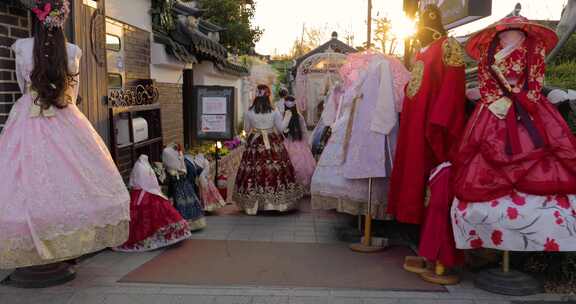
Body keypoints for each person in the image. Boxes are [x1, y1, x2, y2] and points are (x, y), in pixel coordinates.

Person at [0, 0, 130, 269]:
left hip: (28, 114)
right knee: (72, 175)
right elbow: (72, 92)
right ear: (63, 20)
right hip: (65, 115)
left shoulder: (22, 47)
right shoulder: (73, 51)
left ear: (37, 19)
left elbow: (20, 84)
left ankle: (40, 249)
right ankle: (59, 244)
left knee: (26, 177)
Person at [451, 15, 576, 252]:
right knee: (485, 153)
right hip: (496, 108)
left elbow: (536, 80)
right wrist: (497, 101)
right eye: (506, 30)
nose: (509, 33)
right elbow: (486, 80)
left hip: (526, 105)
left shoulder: (533, 46)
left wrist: (522, 101)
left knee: (541, 149)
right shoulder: (491, 48)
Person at [233, 85, 304, 215]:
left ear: (256, 96)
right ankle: (276, 203)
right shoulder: (274, 111)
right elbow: (282, 128)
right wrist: (287, 116)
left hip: (255, 143)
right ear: (268, 96)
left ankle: (254, 204)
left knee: (253, 171)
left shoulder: (249, 111)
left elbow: (247, 129)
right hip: (272, 142)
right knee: (274, 170)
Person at [114, 155, 191, 252]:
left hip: (150, 192)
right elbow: (139, 181)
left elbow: (138, 181)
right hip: (144, 193)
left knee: (156, 215)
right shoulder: (140, 167)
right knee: (144, 217)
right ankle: (147, 238)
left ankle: (160, 235)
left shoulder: (145, 165)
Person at [163, 144, 206, 231]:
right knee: (188, 201)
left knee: (181, 203)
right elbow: (183, 169)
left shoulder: (170, 155)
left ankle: (185, 224)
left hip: (178, 184)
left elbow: (173, 170)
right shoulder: (178, 155)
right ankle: (194, 223)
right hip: (184, 183)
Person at [281, 96, 316, 189]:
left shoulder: (283, 116)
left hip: (287, 142)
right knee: (303, 163)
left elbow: (279, 131)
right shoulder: (299, 117)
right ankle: (302, 184)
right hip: (299, 143)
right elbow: (304, 131)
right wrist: (307, 144)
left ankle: (289, 184)